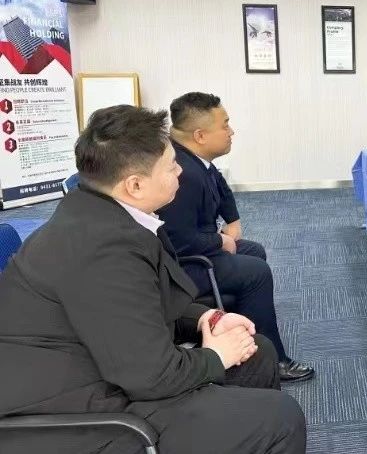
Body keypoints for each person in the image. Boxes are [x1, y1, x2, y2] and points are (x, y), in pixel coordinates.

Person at [0, 105, 306, 454]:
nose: (181, 171)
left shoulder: (102, 213)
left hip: (109, 366)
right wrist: (215, 357)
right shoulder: (102, 250)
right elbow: (151, 376)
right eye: (172, 166)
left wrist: (207, 318)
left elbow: (143, 304)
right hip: (79, 411)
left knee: (257, 353)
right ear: (135, 184)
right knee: (280, 419)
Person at [158, 92, 313, 382]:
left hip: (198, 247)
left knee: (253, 250)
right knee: (256, 272)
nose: (231, 131)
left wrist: (233, 223)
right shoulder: (182, 173)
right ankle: (274, 360)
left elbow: (220, 187)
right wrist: (221, 241)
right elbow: (177, 241)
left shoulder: (195, 159)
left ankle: (244, 332)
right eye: (225, 125)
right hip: (181, 266)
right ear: (200, 135)